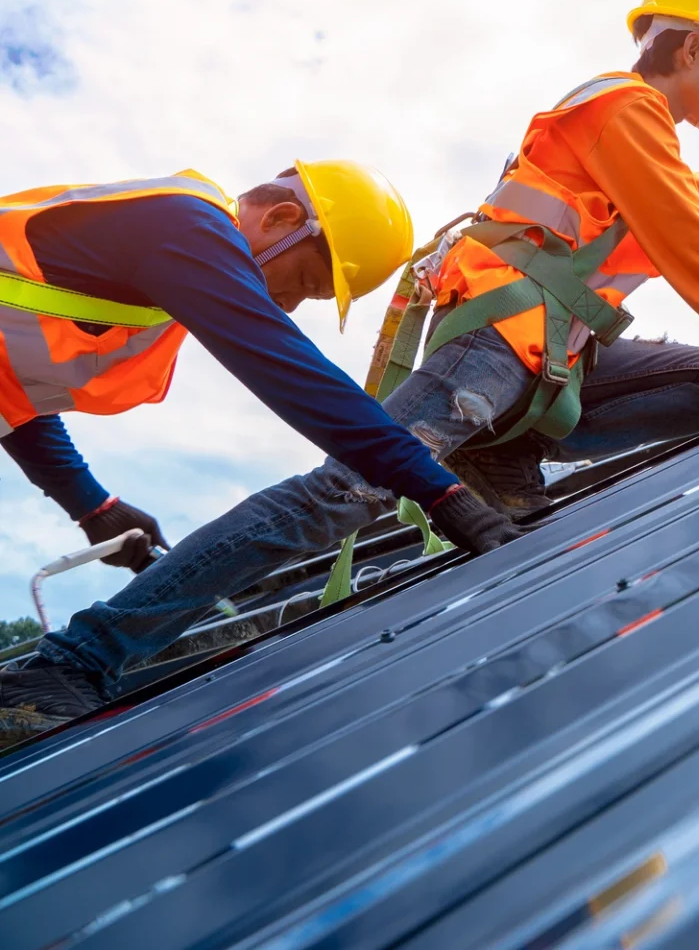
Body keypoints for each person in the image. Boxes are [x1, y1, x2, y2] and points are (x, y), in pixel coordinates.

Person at [1, 0, 699, 731]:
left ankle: (502, 452)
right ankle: (81, 656)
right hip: (491, 346)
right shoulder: (619, 108)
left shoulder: (654, 146)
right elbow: (693, 238)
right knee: (345, 494)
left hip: (555, 370)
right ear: (695, 48)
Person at [0, 162, 516, 733]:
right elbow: (291, 373)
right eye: (301, 283)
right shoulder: (185, 223)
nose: (290, 306)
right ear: (282, 219)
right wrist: (440, 491)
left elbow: (10, 394)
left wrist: (92, 505)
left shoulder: (150, 267)